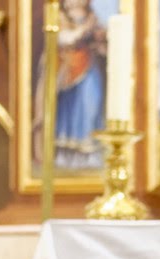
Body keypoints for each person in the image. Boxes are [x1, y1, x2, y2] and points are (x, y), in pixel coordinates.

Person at [36, 0, 107, 171]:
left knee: (93, 103)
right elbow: (65, 39)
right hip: (68, 73)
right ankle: (69, 156)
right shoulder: (60, 18)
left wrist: (101, 38)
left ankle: (89, 154)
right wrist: (84, 30)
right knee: (71, 111)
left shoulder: (92, 17)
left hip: (89, 67)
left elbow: (101, 39)